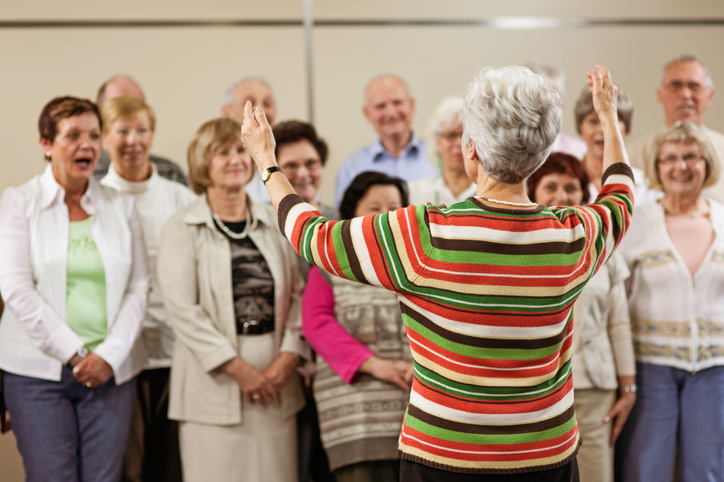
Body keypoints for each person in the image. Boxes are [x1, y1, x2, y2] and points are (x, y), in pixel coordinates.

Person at [243, 63, 634, 480]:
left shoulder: (424, 234)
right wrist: (609, 119)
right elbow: (620, 194)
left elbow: (311, 235)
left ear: (471, 149)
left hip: (444, 455)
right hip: (545, 454)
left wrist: (267, 163)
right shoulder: (573, 235)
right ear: (540, 155)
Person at [0, 96, 149, 480]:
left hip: (110, 373)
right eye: (73, 135)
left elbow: (139, 287)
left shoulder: (121, 205)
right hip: (36, 375)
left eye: (94, 135)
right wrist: (77, 354)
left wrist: (107, 356)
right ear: (46, 144)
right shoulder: (18, 202)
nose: (87, 145)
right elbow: (16, 289)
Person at [157, 117, 310, 482]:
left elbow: (298, 296)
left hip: (277, 385)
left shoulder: (275, 220)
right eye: (222, 152)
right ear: (202, 162)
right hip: (213, 389)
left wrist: (289, 357)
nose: (236, 159)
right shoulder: (180, 227)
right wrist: (240, 371)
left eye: (241, 151)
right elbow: (183, 310)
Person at [616, 121, 724, 482]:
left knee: (707, 471)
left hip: (714, 368)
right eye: (670, 158)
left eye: (691, 156)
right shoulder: (637, 222)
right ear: (657, 166)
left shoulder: (722, 218)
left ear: (706, 163)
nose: (681, 166)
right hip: (650, 369)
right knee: (645, 469)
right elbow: (617, 299)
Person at [99, 95, 196, 482]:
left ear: (152, 135)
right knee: (128, 468)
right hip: (120, 358)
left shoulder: (181, 199)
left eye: (141, 130)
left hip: (178, 353)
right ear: (105, 139)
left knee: (171, 466)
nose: (133, 140)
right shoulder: (94, 200)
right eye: (122, 131)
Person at [527, 153, 636, 482]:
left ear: (584, 193)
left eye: (571, 187)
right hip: (536, 391)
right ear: (532, 192)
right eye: (551, 186)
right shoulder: (521, 243)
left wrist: (628, 387)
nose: (562, 195)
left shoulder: (601, 243)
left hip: (593, 387)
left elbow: (618, 323)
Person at [303, 171, 411, 481]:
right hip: (357, 417)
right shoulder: (330, 265)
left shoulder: (416, 265)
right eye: (374, 208)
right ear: (352, 214)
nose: (385, 217)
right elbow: (316, 324)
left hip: (418, 420)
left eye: (394, 208)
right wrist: (374, 365)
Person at [273, 119, 338, 482]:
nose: (302, 173)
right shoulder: (264, 224)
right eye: (290, 165)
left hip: (336, 366)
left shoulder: (342, 220)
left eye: (311, 163)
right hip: (284, 365)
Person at [627, 55, 724, 203]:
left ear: (709, 97)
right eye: (675, 85)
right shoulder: (633, 157)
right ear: (660, 94)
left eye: (694, 86)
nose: (685, 94)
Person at [335, 75, 437, 205]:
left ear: (411, 105)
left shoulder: (438, 156)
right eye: (380, 106)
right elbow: (344, 217)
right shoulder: (352, 167)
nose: (391, 112)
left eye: (397, 102)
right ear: (367, 113)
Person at [93, 75, 188, 186]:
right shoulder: (87, 177)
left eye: (136, 103)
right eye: (118, 105)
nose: (133, 140)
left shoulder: (170, 174)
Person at [573, 86, 654, 204]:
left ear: (627, 129)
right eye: (593, 121)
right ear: (580, 129)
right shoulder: (566, 181)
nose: (602, 129)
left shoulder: (646, 186)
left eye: (612, 120)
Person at [407, 97, 477, 205]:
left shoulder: (489, 192)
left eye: (466, 136)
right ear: (436, 141)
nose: (460, 143)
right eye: (451, 135)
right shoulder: (415, 192)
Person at [222, 76, 277, 204]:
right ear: (227, 112)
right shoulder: (215, 164)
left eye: (267, 104)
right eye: (250, 103)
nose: (260, 111)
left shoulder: (289, 160)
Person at [526, 60, 588, 160]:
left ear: (561, 105)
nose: (541, 107)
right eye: (534, 98)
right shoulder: (505, 150)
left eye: (550, 99)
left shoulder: (579, 153)